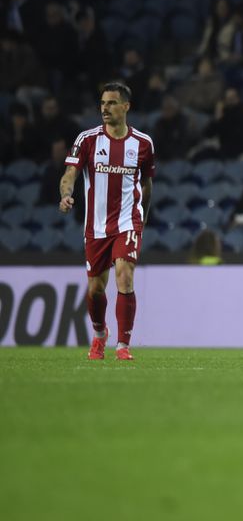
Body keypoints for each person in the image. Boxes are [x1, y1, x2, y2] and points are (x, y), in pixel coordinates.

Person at [58, 81, 156, 362]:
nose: (105, 108)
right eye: (102, 103)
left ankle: (123, 345)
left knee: (124, 275)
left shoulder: (143, 143)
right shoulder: (87, 140)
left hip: (128, 221)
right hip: (96, 226)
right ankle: (100, 334)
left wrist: (142, 220)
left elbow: (147, 185)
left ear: (126, 106)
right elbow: (69, 175)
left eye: (112, 103)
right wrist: (66, 195)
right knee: (95, 289)